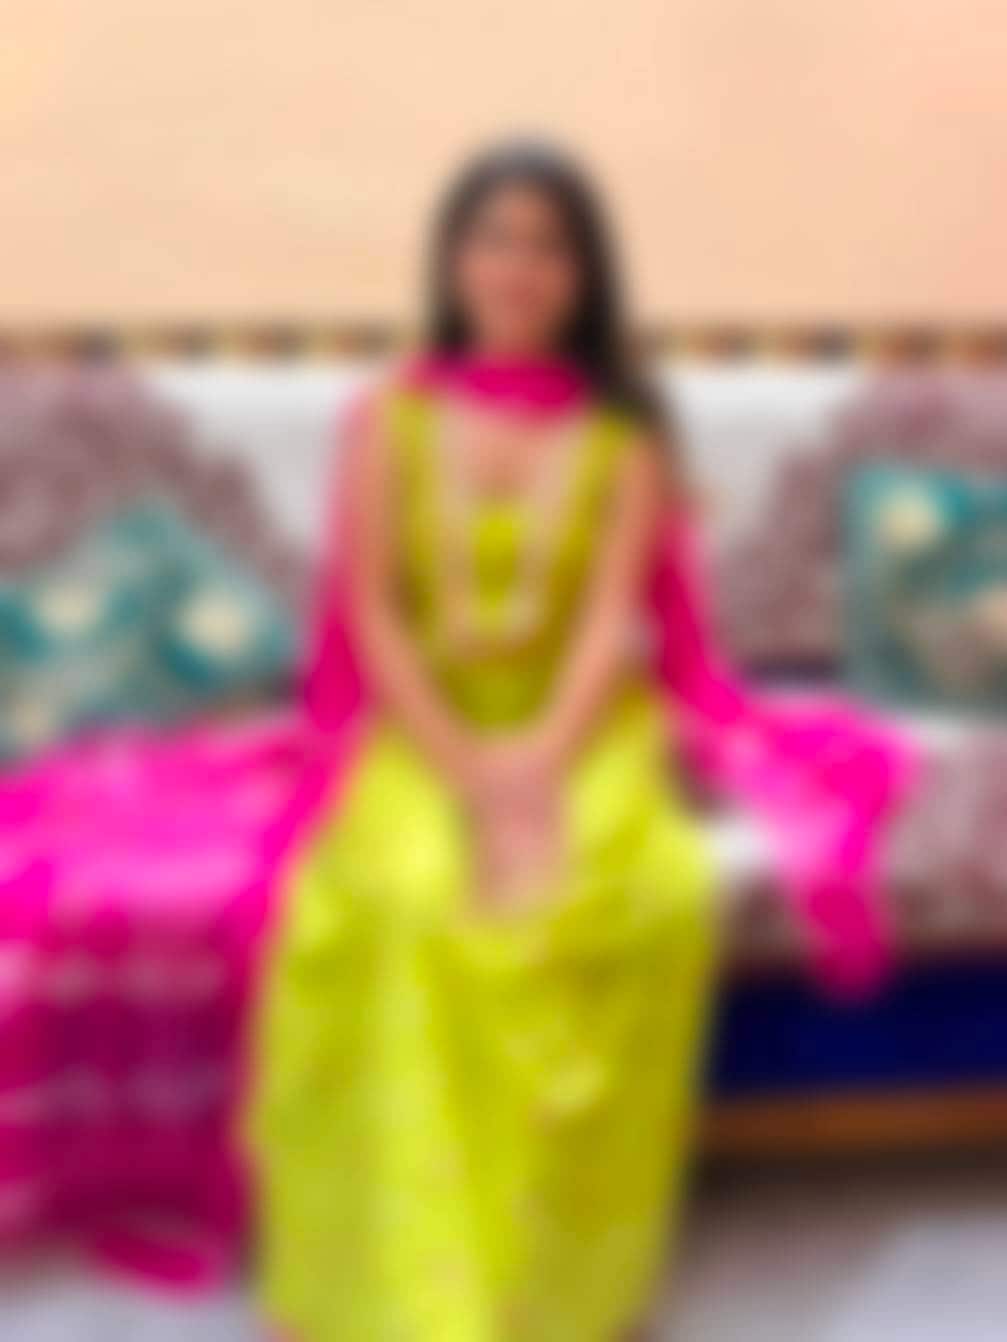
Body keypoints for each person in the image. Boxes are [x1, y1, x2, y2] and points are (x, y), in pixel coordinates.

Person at [247, 141, 914, 1341]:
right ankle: (400, 1287)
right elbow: (377, 615)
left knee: (618, 896)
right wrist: (468, 772)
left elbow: (611, 624)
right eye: (494, 238)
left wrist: (536, 775)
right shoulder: (387, 419)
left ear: (584, 275)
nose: (518, 267)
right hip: (426, 720)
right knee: (406, 896)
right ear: (452, 260)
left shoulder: (622, 436)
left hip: (581, 722)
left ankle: (551, 1289)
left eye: (548, 245)